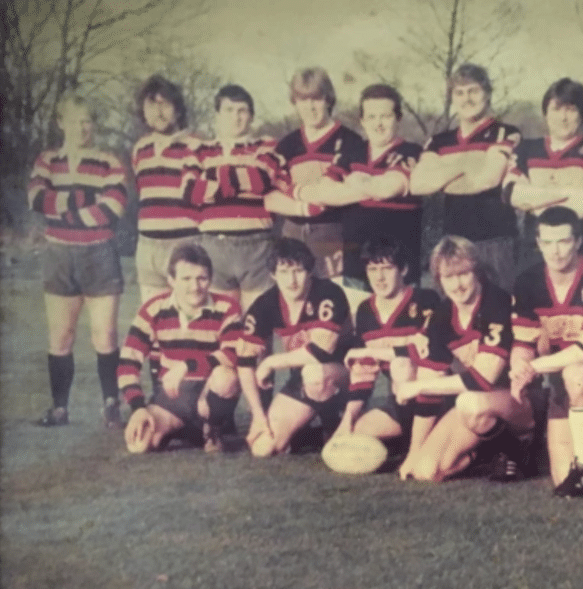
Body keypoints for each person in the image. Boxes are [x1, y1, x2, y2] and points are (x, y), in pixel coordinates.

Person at [27, 94, 127, 428]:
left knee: (106, 334)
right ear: (60, 122)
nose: (82, 127)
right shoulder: (46, 160)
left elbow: (112, 209)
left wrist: (63, 207)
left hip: (99, 253)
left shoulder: (109, 160)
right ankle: (59, 409)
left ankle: (111, 404)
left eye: (87, 120)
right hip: (59, 255)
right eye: (74, 120)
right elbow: (37, 199)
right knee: (61, 335)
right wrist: (87, 203)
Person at [391, 236, 526, 482]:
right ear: (439, 280)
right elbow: (430, 385)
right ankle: (485, 453)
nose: (458, 285)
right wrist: (414, 451)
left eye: (463, 274)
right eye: (448, 277)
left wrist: (416, 386)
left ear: (477, 271)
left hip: (519, 401)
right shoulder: (442, 314)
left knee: (470, 402)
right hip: (475, 407)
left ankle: (520, 451)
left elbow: (483, 379)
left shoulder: (496, 302)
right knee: (426, 471)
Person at [509, 207, 583, 496]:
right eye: (547, 242)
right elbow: (523, 344)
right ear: (538, 243)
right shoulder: (527, 282)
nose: (556, 251)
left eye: (563, 241)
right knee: (561, 480)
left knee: (577, 374)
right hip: (560, 377)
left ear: (578, 241)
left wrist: (535, 367)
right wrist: (520, 369)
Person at [119, 244, 242, 453]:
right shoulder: (153, 308)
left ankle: (213, 428)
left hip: (208, 392)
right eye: (186, 279)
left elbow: (232, 354)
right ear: (171, 280)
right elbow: (128, 363)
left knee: (226, 376)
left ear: (210, 279)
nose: (195, 286)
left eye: (201, 278)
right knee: (138, 446)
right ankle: (177, 428)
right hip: (172, 397)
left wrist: (187, 366)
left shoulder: (228, 308)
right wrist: (138, 408)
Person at [409, 64, 521, 291]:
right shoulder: (439, 141)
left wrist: (443, 173)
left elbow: (487, 180)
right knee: (455, 318)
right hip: (453, 242)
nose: (466, 99)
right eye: (459, 93)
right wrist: (467, 165)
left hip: (495, 242)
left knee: (499, 314)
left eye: (473, 91)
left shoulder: (505, 132)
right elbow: (418, 184)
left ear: (487, 93)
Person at [236, 238, 352, 456]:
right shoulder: (265, 304)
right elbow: (244, 362)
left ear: (309, 271)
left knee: (315, 374)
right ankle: (311, 436)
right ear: (273, 274)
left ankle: (333, 424)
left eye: (298, 271)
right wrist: (258, 416)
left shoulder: (328, 292)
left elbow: (321, 351)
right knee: (263, 447)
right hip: (303, 379)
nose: (292, 281)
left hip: (344, 374)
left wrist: (271, 361)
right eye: (284, 272)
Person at [340, 239, 440, 453]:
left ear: (403, 269)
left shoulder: (425, 299)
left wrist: (370, 350)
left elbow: (423, 352)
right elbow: (363, 372)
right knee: (358, 431)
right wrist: (347, 421)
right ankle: (409, 439)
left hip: (434, 398)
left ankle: (426, 440)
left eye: (387, 268)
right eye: (373, 269)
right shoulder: (366, 310)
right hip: (399, 402)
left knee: (401, 365)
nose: (379, 277)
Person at [269, 67, 367, 281]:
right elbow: (274, 195)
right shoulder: (287, 145)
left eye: (317, 99)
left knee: (338, 300)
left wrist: (297, 190)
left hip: (334, 234)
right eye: (303, 100)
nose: (310, 107)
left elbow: (344, 191)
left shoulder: (351, 141)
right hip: (293, 232)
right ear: (295, 102)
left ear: (329, 100)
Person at [190, 84, 283, 311]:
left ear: (251, 116)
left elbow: (262, 180)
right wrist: (243, 178)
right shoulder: (200, 150)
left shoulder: (266, 145)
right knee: (222, 325)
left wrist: (214, 177)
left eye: (242, 111)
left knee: (257, 325)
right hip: (214, 246)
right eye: (229, 110)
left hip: (257, 245)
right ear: (218, 115)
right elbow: (191, 192)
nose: (236, 117)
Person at [505, 78, 583, 263]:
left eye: (571, 109)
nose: (563, 118)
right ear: (545, 113)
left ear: (582, 114)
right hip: (536, 252)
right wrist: (569, 193)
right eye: (556, 109)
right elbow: (512, 194)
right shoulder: (525, 149)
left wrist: (537, 201)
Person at [336, 84, 424, 291]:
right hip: (356, 269)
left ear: (398, 118)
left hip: (401, 271)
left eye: (385, 116)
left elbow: (387, 189)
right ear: (362, 121)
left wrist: (353, 179)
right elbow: (324, 191)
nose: (379, 124)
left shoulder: (413, 152)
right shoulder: (352, 152)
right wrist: (371, 185)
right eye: (372, 117)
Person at [131, 75, 202, 305]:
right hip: (148, 248)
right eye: (152, 104)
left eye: (165, 104)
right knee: (153, 321)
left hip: (184, 245)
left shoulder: (196, 145)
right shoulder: (140, 149)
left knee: (188, 322)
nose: (158, 112)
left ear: (178, 110)